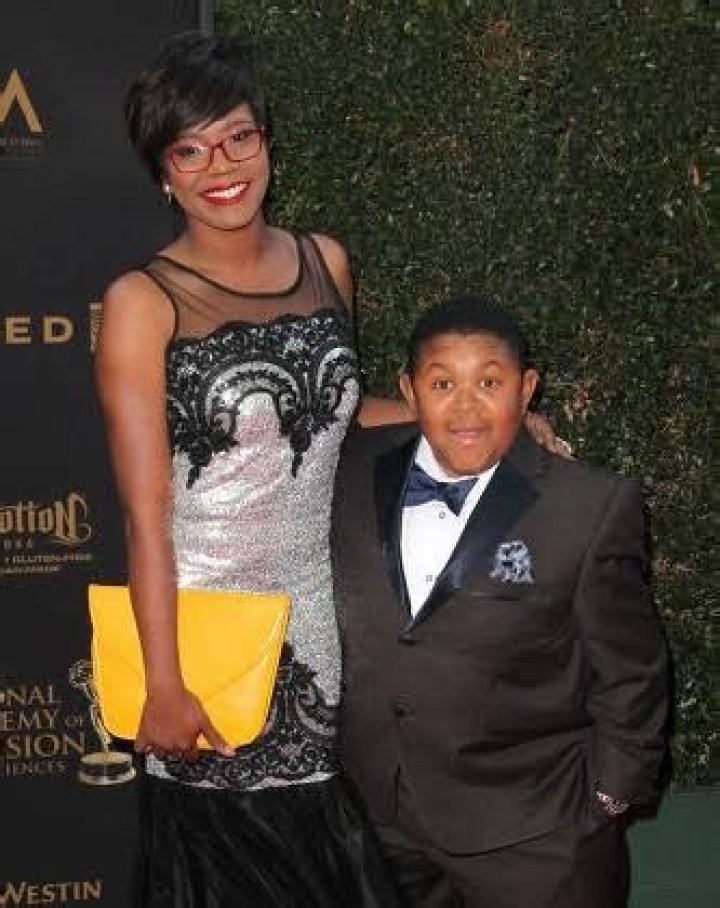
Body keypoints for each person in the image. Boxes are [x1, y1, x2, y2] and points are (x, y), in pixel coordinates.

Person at [94, 32, 404, 907]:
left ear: (267, 141)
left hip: (317, 630)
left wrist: (473, 416)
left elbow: (335, 414)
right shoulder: (141, 303)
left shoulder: (325, 262)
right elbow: (145, 514)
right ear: (164, 174)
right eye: (189, 151)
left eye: (238, 138)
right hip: (205, 644)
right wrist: (163, 684)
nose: (220, 167)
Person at [332, 294, 669, 908]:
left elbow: (633, 673)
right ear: (409, 392)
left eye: (489, 382)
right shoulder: (350, 471)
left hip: (536, 832)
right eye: (442, 383)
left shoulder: (588, 506)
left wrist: (608, 797)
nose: (466, 406)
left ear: (527, 388)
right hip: (382, 823)